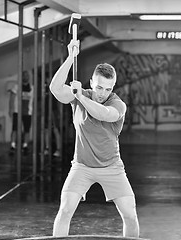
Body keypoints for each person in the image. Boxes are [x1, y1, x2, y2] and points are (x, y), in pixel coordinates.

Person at [49, 39, 139, 238]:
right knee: (65, 210)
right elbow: (55, 89)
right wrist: (71, 57)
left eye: (108, 89)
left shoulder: (118, 104)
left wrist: (81, 97)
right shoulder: (80, 94)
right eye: (99, 87)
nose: (102, 93)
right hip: (82, 166)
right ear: (91, 82)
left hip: (112, 167)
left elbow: (103, 114)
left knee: (130, 215)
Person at [8, 70, 33, 154]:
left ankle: (25, 146)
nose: (26, 77)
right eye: (24, 75)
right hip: (17, 111)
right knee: (14, 129)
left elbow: (33, 101)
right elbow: (11, 98)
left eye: (27, 75)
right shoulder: (16, 87)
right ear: (22, 77)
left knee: (27, 130)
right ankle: (13, 145)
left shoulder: (32, 88)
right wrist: (10, 109)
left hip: (28, 112)